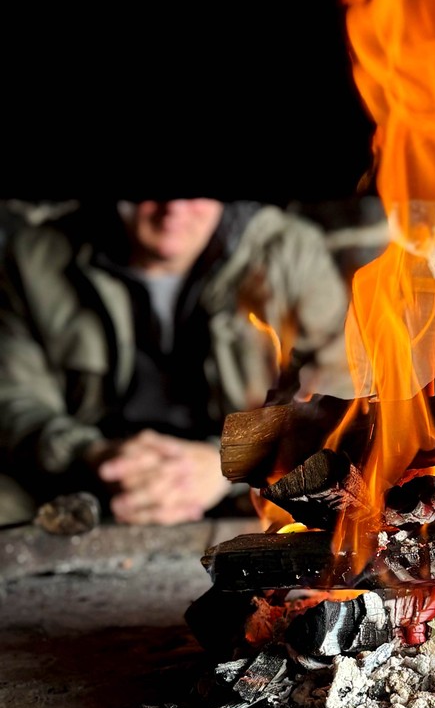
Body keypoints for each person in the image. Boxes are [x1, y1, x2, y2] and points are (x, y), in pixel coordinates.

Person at [0, 199, 351, 526]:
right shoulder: (35, 258)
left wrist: (228, 463)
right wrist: (94, 455)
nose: (174, 209)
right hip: (90, 476)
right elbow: (14, 401)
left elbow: (342, 384)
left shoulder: (290, 252)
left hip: (249, 485)